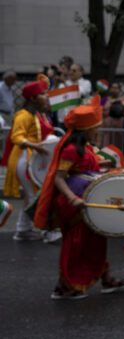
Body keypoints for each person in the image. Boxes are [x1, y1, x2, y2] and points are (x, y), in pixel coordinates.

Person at [32, 97, 124, 299]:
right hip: (76, 203)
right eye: (95, 126)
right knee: (76, 244)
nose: (97, 129)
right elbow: (60, 178)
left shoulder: (85, 146)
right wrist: (73, 199)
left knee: (95, 242)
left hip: (89, 196)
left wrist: (114, 167)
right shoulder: (70, 149)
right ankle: (64, 287)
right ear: (86, 129)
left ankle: (106, 279)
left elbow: (85, 168)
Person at [2, 80, 60, 242]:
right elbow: (16, 137)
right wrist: (36, 146)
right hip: (24, 159)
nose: (46, 96)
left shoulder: (41, 115)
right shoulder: (24, 115)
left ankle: (23, 229)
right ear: (33, 98)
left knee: (31, 197)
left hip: (36, 159)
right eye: (42, 94)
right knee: (38, 197)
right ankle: (46, 230)